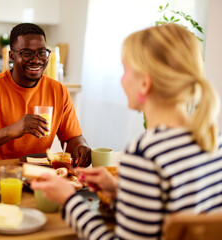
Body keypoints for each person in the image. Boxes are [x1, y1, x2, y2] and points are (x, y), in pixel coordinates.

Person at [31, 23, 222, 239]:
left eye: (125, 70)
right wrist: (120, 193)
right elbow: (169, 214)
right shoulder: (213, 140)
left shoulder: (145, 155)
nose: (121, 79)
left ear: (144, 84)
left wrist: (69, 200)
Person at [0, 23, 91, 166]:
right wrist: (12, 130)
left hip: (39, 175)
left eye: (42, 52)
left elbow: (72, 138)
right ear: (11, 56)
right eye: (27, 53)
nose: (36, 59)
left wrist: (81, 147)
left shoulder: (58, 91)